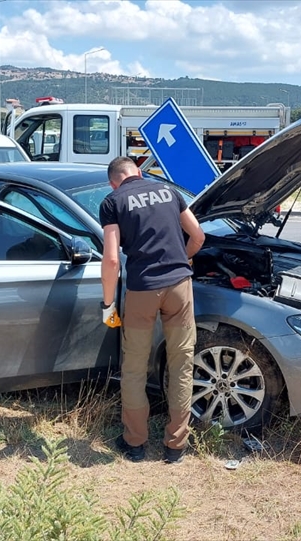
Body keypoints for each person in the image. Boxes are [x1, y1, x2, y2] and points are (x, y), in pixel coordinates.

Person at [99, 156, 205, 464]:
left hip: (142, 289)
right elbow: (198, 236)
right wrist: (182, 261)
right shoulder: (169, 192)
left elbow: (112, 260)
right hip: (179, 288)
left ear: (113, 182)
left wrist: (108, 304)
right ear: (140, 173)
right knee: (182, 365)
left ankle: (135, 444)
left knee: (133, 368)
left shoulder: (112, 201)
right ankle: (176, 446)